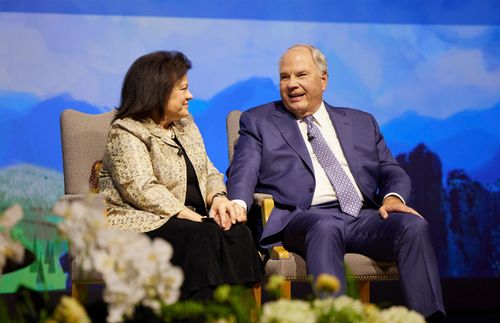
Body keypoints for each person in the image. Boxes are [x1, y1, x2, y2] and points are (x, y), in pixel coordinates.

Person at [226, 44, 445, 321]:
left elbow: (392, 170)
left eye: (301, 75)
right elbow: (243, 170)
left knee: (413, 226)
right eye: (284, 77)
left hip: (361, 217)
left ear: (323, 79)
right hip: (302, 218)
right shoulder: (258, 121)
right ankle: (337, 317)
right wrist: (237, 203)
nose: (291, 84)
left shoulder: (361, 121)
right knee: (325, 225)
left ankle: (430, 318)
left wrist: (392, 198)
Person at [99, 50, 262, 301]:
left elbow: (209, 171)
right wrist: (192, 217)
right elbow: (142, 188)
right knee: (204, 235)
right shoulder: (126, 131)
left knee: (238, 232)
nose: (190, 96)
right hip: (146, 220)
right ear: (157, 92)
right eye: (183, 89)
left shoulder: (185, 124)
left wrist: (218, 199)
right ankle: (197, 314)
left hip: (193, 219)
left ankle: (238, 313)